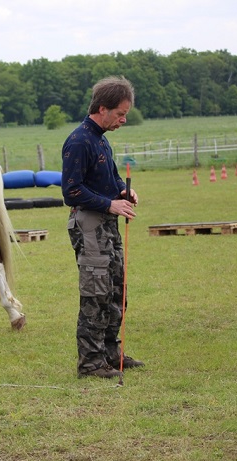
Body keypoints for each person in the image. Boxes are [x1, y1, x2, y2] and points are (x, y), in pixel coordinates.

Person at [61, 76, 145, 379]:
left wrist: (123, 192)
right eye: (120, 114)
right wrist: (110, 204)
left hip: (108, 226)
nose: (123, 120)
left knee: (115, 291)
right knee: (95, 294)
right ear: (102, 108)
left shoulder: (100, 139)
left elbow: (109, 178)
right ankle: (91, 363)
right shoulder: (79, 141)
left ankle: (112, 353)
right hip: (89, 225)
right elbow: (71, 191)